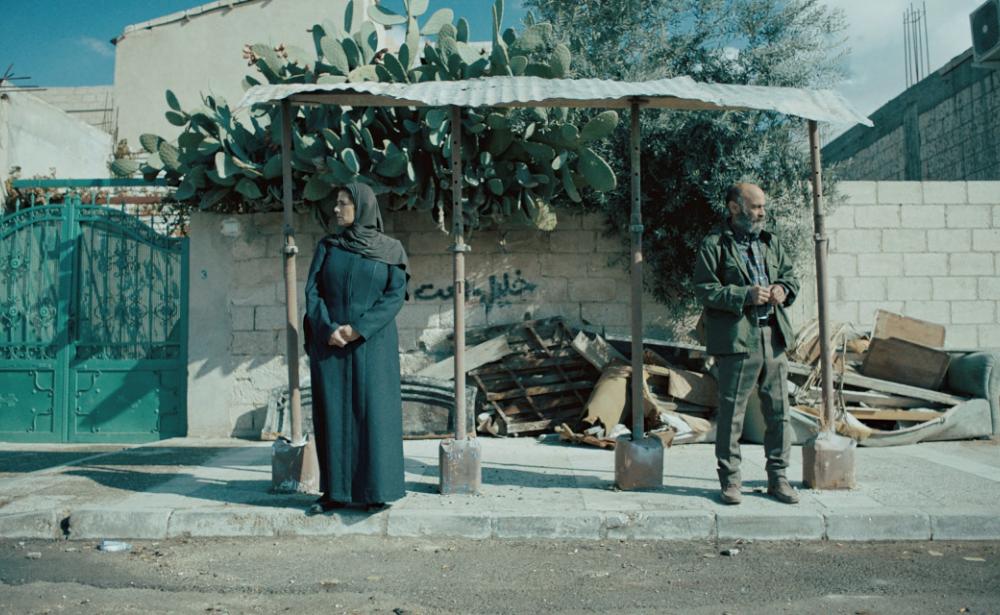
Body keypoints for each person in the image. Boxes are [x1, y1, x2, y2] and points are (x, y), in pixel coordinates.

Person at [304, 182, 409, 514]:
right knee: (332, 415)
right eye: (336, 203)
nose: (336, 209)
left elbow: (394, 296)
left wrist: (358, 330)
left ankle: (376, 492)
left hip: (372, 345)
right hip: (331, 344)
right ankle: (334, 493)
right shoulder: (328, 247)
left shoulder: (391, 250)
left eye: (343, 203)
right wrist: (328, 329)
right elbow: (313, 292)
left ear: (362, 207)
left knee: (373, 416)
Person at [693, 182, 801, 505]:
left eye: (763, 206)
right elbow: (704, 289)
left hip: (774, 338)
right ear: (734, 208)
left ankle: (778, 478)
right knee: (732, 414)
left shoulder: (771, 242)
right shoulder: (714, 244)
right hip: (739, 340)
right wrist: (745, 295)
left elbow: (791, 278)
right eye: (756, 207)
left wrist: (782, 289)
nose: (762, 212)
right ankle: (730, 481)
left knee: (780, 412)